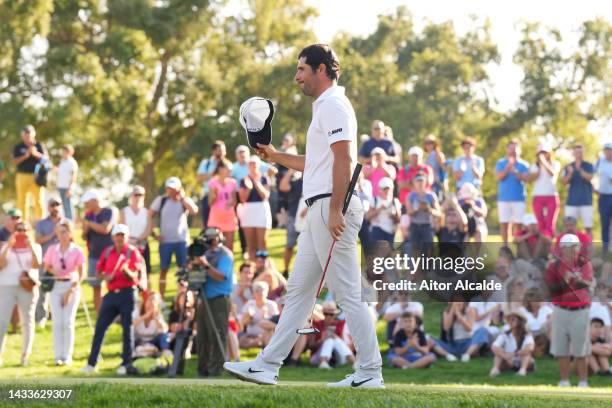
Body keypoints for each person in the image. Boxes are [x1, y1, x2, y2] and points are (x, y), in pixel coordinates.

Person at [225, 44, 384, 388]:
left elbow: (345, 158)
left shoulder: (333, 104)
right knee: (298, 290)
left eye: (301, 69)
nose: (297, 76)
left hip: (331, 206)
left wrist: (333, 209)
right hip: (320, 206)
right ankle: (267, 365)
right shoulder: (324, 107)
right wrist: (276, 155)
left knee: (348, 294)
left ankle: (370, 372)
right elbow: (317, 162)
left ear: (321, 69)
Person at [81, 224, 144, 375]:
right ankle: (92, 363)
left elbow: (136, 276)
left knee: (127, 328)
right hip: (111, 294)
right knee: (100, 327)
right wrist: (105, 276)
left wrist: (126, 270)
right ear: (113, 237)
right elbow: (98, 273)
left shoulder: (132, 253)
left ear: (127, 237)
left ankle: (126, 363)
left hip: (127, 293)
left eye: (122, 235)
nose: (120, 238)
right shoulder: (108, 252)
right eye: (117, 235)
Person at [545, 233, 593, 387]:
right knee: (561, 348)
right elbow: (552, 288)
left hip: (580, 310)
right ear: (563, 249)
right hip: (561, 310)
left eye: (577, 246)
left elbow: (587, 284)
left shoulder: (584, 263)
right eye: (571, 247)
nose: (575, 250)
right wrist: (565, 281)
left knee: (581, 348)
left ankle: (583, 382)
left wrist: (576, 280)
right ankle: (564, 380)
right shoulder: (554, 266)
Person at [192, 227, 233, 376]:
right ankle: (202, 369)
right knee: (202, 336)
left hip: (219, 299)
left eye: (212, 238)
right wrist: (194, 264)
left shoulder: (225, 254)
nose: (210, 241)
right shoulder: (204, 254)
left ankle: (216, 370)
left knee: (217, 334)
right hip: (203, 298)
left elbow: (221, 276)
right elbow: (194, 278)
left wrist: (205, 264)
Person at [43, 220, 85, 365]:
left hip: (71, 286)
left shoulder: (77, 250)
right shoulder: (52, 249)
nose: (62, 235)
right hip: (56, 287)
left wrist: (72, 289)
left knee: (67, 322)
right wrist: (53, 270)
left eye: (65, 232)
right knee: (57, 322)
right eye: (59, 232)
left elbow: (81, 273)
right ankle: (58, 356)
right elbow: (47, 266)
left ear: (70, 233)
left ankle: (67, 356)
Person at [0, 221, 41, 366]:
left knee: (27, 321)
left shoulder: (35, 246)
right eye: (18, 229)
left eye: (24, 229)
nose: (21, 232)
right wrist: (8, 246)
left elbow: (36, 265)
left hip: (27, 287)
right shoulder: (6, 246)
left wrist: (30, 246)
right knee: (2, 322)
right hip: (6, 286)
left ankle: (25, 355)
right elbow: (1, 265)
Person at [149, 177, 198, 298]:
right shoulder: (161, 200)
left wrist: (183, 198)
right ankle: (161, 298)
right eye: (169, 189)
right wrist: (154, 235)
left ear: (179, 189)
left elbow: (194, 211)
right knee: (163, 270)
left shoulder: (184, 201)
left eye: (174, 189)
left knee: (183, 270)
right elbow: (149, 215)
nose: (171, 191)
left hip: (181, 241)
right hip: (166, 242)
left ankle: (182, 296)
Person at [81, 188, 114, 313]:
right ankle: (100, 314)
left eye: (87, 202)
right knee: (96, 286)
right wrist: (86, 228)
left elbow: (105, 229)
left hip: (109, 255)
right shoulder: (88, 215)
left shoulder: (107, 211)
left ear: (95, 201)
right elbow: (84, 236)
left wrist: (89, 224)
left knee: (112, 285)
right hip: (93, 255)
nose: (86, 205)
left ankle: (112, 312)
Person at [34, 198, 63, 327]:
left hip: (63, 262)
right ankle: (41, 317)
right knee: (43, 290)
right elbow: (38, 239)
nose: (55, 207)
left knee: (61, 289)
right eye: (52, 205)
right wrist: (53, 234)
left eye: (57, 205)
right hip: (46, 261)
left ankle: (60, 316)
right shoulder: (41, 223)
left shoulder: (66, 222)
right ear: (48, 207)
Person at [495, 139, 529, 244]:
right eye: (511, 147)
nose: (513, 150)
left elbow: (526, 179)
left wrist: (515, 170)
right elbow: (499, 177)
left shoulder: (523, 164)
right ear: (507, 149)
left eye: (515, 148)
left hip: (519, 198)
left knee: (518, 224)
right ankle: (506, 247)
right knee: (504, 224)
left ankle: (519, 248)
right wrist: (507, 168)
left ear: (519, 150)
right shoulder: (501, 163)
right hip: (503, 199)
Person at [237, 156, 272, 261]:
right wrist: (249, 188)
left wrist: (256, 183)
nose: (252, 166)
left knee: (262, 243)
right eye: (250, 163)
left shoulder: (264, 178)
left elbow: (265, 195)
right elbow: (243, 199)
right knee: (251, 245)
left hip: (261, 209)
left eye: (254, 163)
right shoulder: (244, 180)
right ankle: (253, 270)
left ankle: (263, 268)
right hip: (248, 210)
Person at [12, 125, 47, 222]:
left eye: (29, 134)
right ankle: (22, 223)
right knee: (21, 201)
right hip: (21, 175)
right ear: (22, 135)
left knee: (39, 201)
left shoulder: (39, 145)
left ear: (33, 134)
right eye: (25, 134)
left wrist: (36, 154)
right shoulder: (18, 147)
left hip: (36, 176)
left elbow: (46, 159)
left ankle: (41, 223)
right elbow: (15, 161)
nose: (27, 136)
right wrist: (26, 155)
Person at [309, 301, 355, 369]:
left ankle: (353, 361)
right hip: (317, 357)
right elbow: (311, 346)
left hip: (338, 356)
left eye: (331, 314)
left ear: (335, 314)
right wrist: (322, 341)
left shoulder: (340, 324)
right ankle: (323, 362)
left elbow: (344, 344)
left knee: (333, 338)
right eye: (326, 314)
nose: (328, 316)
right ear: (322, 313)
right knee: (329, 339)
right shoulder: (316, 325)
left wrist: (336, 338)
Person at [527, 143, 560, 238]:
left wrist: (544, 162)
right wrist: (539, 165)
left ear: (549, 153)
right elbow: (532, 178)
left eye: (545, 152)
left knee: (550, 226)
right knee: (540, 225)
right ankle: (542, 249)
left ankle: (550, 248)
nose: (543, 154)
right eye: (540, 152)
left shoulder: (555, 164)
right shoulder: (534, 166)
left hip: (552, 196)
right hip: (538, 196)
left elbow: (552, 173)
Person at [489, 310, 535, 377]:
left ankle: (522, 370)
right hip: (509, 360)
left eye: (513, 320)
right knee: (498, 353)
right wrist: (505, 356)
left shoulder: (527, 335)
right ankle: (495, 369)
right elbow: (494, 347)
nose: (510, 322)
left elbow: (530, 348)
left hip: (523, 360)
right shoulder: (505, 334)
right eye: (509, 320)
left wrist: (514, 354)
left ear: (519, 321)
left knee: (526, 354)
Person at [561, 144, 594, 237]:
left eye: (580, 152)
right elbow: (563, 182)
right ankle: (569, 250)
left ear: (583, 152)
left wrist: (579, 170)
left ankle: (589, 250)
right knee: (569, 227)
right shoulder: (568, 166)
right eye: (576, 152)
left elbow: (590, 177)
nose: (578, 154)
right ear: (573, 153)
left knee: (588, 228)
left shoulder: (588, 165)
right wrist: (570, 173)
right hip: (571, 202)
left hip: (586, 202)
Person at [119, 186, 151, 277]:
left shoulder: (147, 212)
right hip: (128, 245)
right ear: (131, 196)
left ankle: (145, 290)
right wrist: (131, 240)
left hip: (143, 245)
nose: (138, 197)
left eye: (140, 195)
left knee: (145, 271)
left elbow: (148, 229)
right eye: (136, 194)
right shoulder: (124, 211)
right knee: (128, 269)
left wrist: (139, 239)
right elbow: (122, 227)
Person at [207, 159, 238, 252]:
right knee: (214, 247)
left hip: (229, 218)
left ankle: (228, 266)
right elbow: (210, 203)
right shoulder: (212, 183)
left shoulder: (232, 182)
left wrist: (231, 203)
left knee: (229, 248)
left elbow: (234, 201)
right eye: (228, 169)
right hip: (216, 219)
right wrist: (214, 195)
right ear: (220, 169)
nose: (230, 171)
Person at [406, 173, 440, 257]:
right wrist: (418, 209)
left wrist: (429, 209)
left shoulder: (431, 195)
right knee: (415, 250)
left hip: (427, 226)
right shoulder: (411, 196)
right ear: (414, 183)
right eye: (418, 181)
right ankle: (416, 269)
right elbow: (409, 212)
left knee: (428, 249)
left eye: (421, 181)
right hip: (414, 226)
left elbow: (438, 213)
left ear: (425, 182)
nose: (420, 183)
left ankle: (427, 268)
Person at [278, 168, 303, 277]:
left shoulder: (317, 183)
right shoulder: (297, 183)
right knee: (289, 245)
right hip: (294, 217)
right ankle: (286, 270)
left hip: (310, 218)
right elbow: (283, 187)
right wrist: (291, 170)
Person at [239, 281, 279, 349]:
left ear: (266, 292)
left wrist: (265, 316)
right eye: (257, 290)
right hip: (250, 335)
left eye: (262, 290)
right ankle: (257, 343)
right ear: (253, 293)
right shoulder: (249, 304)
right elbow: (242, 324)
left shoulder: (272, 305)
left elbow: (276, 323)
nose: (259, 293)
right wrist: (249, 317)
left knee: (267, 335)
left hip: (265, 334)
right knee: (242, 340)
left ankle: (258, 343)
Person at [197, 140, 227, 228]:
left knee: (223, 225)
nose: (221, 153)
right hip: (208, 196)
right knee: (208, 225)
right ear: (213, 151)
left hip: (224, 197)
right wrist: (213, 172)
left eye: (222, 150)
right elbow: (199, 178)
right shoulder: (206, 163)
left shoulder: (228, 164)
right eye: (218, 150)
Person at [365, 177, 401, 248]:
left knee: (388, 257)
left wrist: (393, 215)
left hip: (390, 232)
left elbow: (398, 220)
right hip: (377, 231)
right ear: (380, 189)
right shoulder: (374, 200)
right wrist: (380, 209)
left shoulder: (395, 202)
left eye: (388, 189)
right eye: (384, 189)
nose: (387, 191)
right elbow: (368, 217)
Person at [133, 292, 171, 357]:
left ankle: (165, 351)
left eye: (154, 300)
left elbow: (164, 330)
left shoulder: (158, 315)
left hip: (153, 341)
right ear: (145, 301)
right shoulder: (137, 311)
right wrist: (145, 316)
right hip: (139, 340)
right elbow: (131, 325)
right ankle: (149, 351)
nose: (151, 303)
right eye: (149, 300)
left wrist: (156, 318)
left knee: (163, 335)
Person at [595, 142, 612, 253]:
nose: (607, 152)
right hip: (603, 197)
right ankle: (605, 249)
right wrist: (593, 189)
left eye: (609, 150)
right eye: (605, 150)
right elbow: (591, 174)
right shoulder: (599, 161)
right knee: (604, 223)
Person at [56, 144, 78, 221]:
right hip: (61, 187)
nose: (63, 153)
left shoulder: (72, 162)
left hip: (67, 188)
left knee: (68, 206)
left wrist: (70, 188)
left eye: (65, 151)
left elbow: (74, 175)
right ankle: (65, 221)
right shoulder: (62, 161)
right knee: (63, 207)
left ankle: (70, 223)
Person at [423, 134, 447, 199]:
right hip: (427, 184)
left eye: (431, 143)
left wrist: (444, 182)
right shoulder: (425, 156)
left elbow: (444, 169)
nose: (429, 145)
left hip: (437, 184)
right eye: (427, 143)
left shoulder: (438, 155)